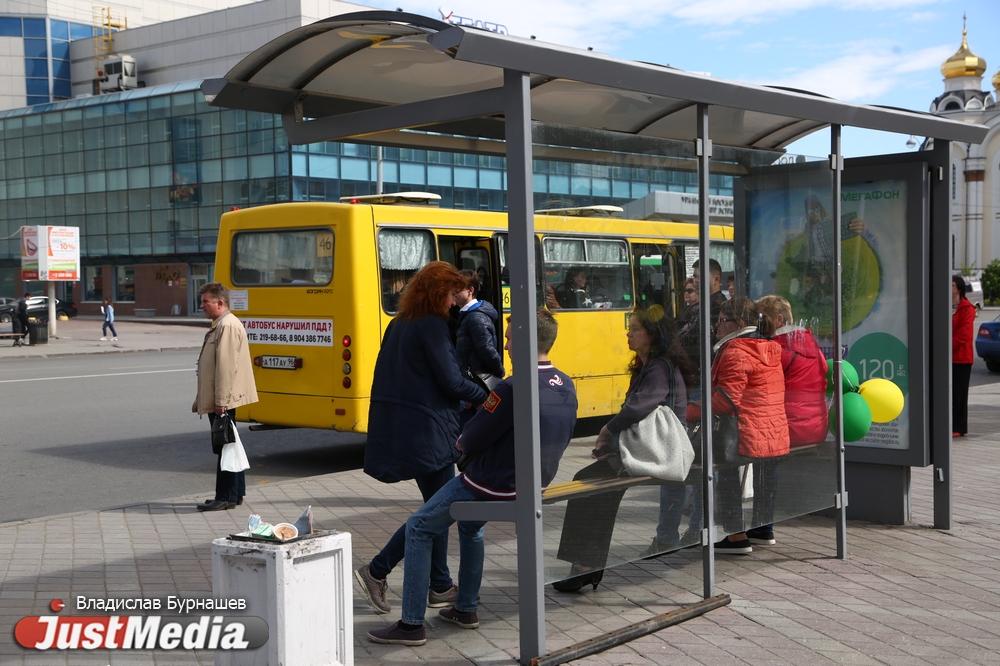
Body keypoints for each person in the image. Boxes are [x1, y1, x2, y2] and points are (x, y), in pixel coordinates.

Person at [367, 309, 577, 646]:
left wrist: (462, 444)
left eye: (508, 337)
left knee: (420, 526)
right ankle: (465, 608)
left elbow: (470, 438)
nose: (505, 344)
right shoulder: (564, 383)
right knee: (470, 526)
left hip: (492, 483)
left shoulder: (511, 388)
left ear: (523, 339)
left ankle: (410, 624)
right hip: (533, 485)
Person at [356, 261, 488, 615]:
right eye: (449, 296)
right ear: (436, 294)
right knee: (436, 511)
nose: (452, 304)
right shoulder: (431, 325)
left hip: (406, 427)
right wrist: (489, 396)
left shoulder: (399, 323)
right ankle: (377, 570)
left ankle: (440, 585)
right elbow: (451, 381)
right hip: (430, 429)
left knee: (437, 509)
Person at [552, 306, 692, 592]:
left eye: (636, 328)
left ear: (652, 335)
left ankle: (585, 566)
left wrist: (607, 431)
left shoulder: (659, 367)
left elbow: (638, 409)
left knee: (588, 483)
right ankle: (587, 565)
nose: (629, 333)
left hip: (658, 452)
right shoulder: (648, 366)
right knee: (590, 484)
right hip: (647, 450)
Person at [711, 297, 789, 554]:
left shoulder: (737, 349)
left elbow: (726, 400)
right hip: (772, 429)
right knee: (766, 475)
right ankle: (763, 529)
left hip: (746, 430)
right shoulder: (768, 346)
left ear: (740, 322)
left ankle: (736, 537)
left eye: (723, 320)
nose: (717, 326)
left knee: (726, 472)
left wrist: (690, 410)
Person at [754, 295, 827, 544]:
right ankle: (760, 524)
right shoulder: (810, 342)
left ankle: (762, 527)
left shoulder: (778, 347)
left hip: (791, 428)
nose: (758, 324)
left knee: (758, 449)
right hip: (815, 427)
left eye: (762, 319)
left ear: (779, 319)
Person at [192, 283, 258, 511]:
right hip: (222, 399)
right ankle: (234, 494)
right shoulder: (221, 324)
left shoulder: (227, 326)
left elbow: (226, 368)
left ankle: (226, 496)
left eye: (205, 302)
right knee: (229, 446)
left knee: (225, 447)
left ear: (220, 303)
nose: (202, 306)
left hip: (223, 400)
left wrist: (220, 401)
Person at [454, 269, 504, 390]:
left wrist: (499, 373)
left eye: (457, 290)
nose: (453, 294)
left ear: (470, 290)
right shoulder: (467, 314)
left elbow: (487, 350)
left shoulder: (476, 318)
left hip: (477, 381)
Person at [952, 275, 975, 437]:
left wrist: (944, 348)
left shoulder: (967, 308)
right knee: (949, 393)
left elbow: (964, 335)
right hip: (948, 358)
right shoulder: (947, 306)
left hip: (961, 358)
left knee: (959, 393)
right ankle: (950, 424)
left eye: (952, 285)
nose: (950, 288)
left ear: (958, 288)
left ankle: (959, 428)